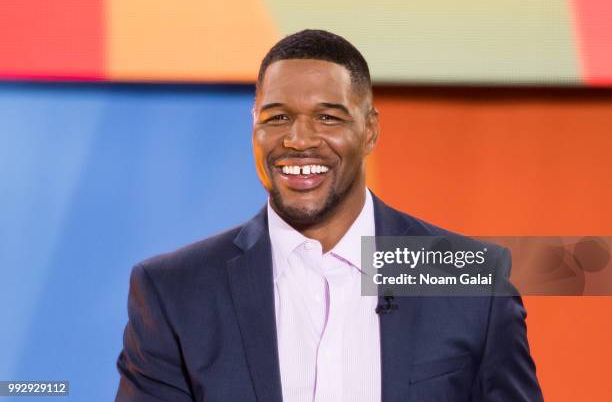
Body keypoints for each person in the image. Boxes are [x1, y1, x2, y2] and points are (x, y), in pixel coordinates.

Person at [115, 29, 543, 402]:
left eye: (327, 117)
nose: (299, 140)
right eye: (277, 117)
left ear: (370, 129)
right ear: (254, 127)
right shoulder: (174, 293)